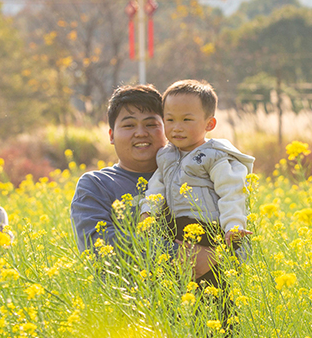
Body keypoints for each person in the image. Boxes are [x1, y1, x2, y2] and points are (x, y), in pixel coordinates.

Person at [141, 79, 254, 282]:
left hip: (211, 232)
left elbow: (231, 191)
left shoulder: (213, 155)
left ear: (209, 124)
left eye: (186, 120)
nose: (177, 128)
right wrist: (148, 212)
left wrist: (234, 225)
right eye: (170, 120)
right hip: (179, 232)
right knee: (183, 290)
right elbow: (156, 188)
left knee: (217, 292)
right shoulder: (165, 156)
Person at [71, 84, 167, 252]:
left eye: (151, 124)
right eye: (129, 125)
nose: (140, 133)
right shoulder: (96, 185)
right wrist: (187, 256)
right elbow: (100, 249)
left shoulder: (191, 174)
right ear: (112, 135)